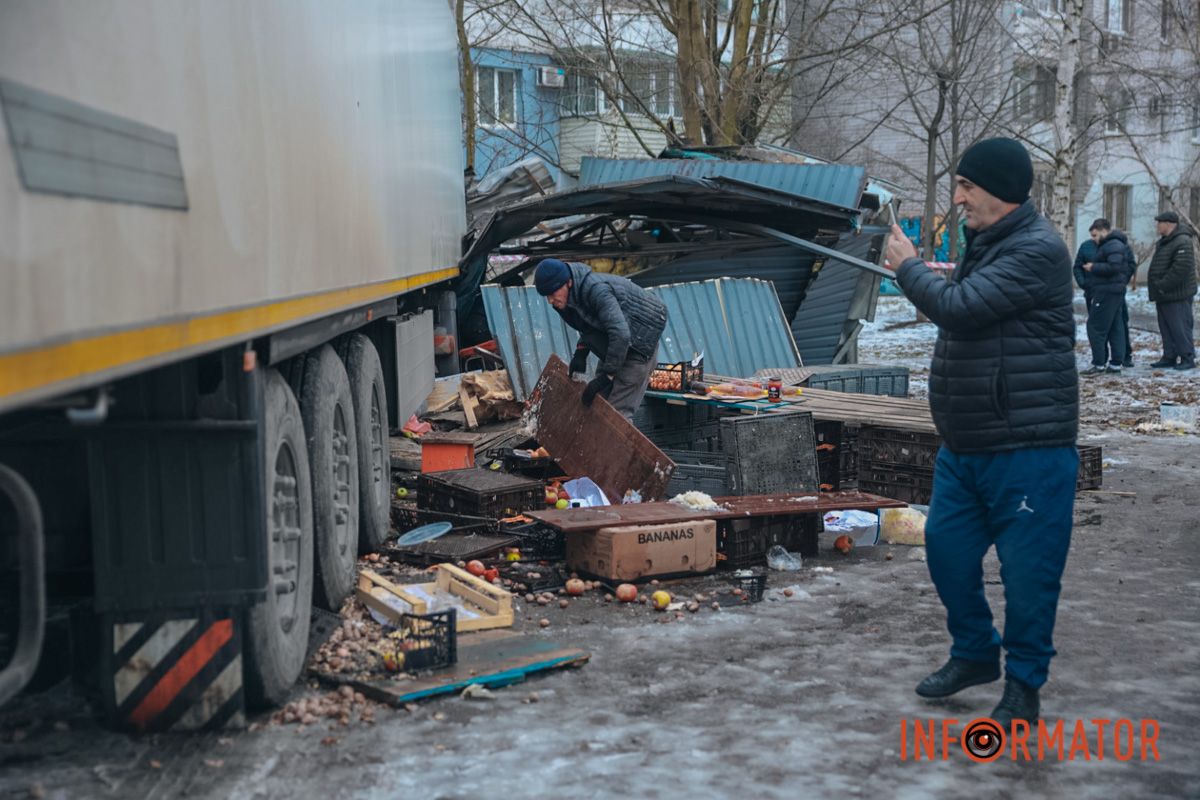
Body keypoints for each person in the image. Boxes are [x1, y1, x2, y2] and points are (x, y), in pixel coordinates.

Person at [884, 137, 1079, 727]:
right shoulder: (989, 242)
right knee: (946, 552)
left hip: (1027, 447)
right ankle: (974, 652)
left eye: (967, 186)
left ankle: (1023, 683)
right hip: (966, 445)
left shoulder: (1040, 249)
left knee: (1027, 576)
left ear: (1000, 190)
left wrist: (909, 267)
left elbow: (962, 308)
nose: (959, 196)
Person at [533, 258, 668, 418]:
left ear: (568, 282)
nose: (550, 300)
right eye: (546, 296)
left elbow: (621, 334)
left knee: (616, 417)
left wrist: (607, 376)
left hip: (639, 347)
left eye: (553, 293)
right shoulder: (565, 300)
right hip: (615, 346)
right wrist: (581, 352)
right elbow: (590, 325)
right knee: (596, 405)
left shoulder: (596, 290)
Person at [1080, 219, 1136, 375]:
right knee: (1115, 327)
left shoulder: (1112, 245)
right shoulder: (1115, 245)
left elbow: (1115, 267)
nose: (1094, 239)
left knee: (1095, 327)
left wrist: (1093, 267)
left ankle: (1099, 363)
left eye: (1095, 235)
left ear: (1104, 231)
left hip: (1106, 292)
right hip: (1113, 291)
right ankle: (1115, 363)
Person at [1146, 211, 1197, 370]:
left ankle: (1187, 357)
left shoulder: (1182, 241)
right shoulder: (1166, 241)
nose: (1157, 225)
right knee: (1167, 328)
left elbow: (1180, 269)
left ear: (1169, 224)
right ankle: (1170, 356)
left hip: (1177, 295)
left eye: (1159, 222)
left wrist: (1161, 285)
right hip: (1164, 295)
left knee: (1180, 327)